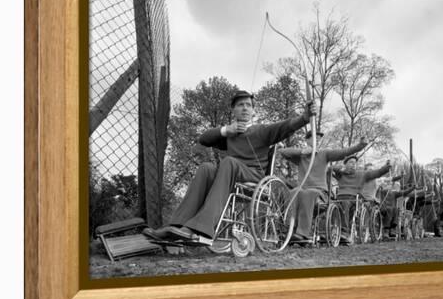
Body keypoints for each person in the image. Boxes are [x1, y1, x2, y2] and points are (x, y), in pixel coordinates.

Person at [144, 89, 317, 243]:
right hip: (229, 175)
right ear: (233, 110)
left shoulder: (262, 130)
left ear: (253, 110)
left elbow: (286, 126)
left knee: (228, 162)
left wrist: (304, 117)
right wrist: (226, 130)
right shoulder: (230, 133)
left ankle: (201, 228)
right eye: (240, 105)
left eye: (249, 105)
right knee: (206, 167)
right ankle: (177, 227)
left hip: (253, 177)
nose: (245, 108)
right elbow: (204, 139)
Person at [279, 133, 367, 242]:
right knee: (294, 192)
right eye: (314, 138)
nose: (317, 141)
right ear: (307, 140)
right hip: (303, 189)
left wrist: (360, 146)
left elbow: (343, 152)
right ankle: (289, 230)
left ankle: (303, 233)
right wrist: (302, 152)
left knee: (308, 193)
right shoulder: (301, 156)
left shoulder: (324, 154)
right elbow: (283, 152)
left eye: (319, 139)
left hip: (320, 193)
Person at [333, 156, 391, 243]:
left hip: (354, 199)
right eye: (351, 162)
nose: (353, 165)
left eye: (355, 163)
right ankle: (333, 232)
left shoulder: (362, 174)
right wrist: (341, 169)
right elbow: (331, 168)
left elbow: (377, 173)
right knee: (332, 206)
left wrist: (386, 168)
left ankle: (345, 232)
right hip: (339, 197)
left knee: (345, 205)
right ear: (345, 164)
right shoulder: (341, 174)